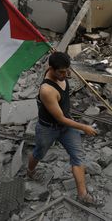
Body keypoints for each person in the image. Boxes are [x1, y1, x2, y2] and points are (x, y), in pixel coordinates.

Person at [27, 52, 100, 206]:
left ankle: (82, 195)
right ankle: (30, 171)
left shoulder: (62, 71)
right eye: (61, 72)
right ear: (51, 69)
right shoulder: (47, 90)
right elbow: (59, 118)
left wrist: (66, 68)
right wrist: (84, 127)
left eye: (67, 70)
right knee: (39, 152)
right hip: (48, 128)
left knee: (77, 156)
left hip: (66, 127)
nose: (65, 74)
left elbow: (63, 69)